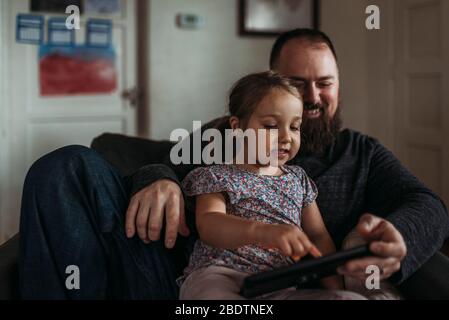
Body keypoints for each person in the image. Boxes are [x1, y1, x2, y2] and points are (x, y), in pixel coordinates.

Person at [18, 29, 449, 299]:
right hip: (186, 275)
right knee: (66, 165)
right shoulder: (223, 138)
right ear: (273, 85)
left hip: (285, 284)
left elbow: (426, 203)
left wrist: (400, 240)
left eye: (325, 82)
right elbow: (153, 163)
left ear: (339, 84)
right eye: (298, 84)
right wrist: (160, 179)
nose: (314, 97)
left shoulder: (363, 154)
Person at [177, 71, 362, 300]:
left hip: (278, 284)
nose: (286, 137)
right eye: (272, 126)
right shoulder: (216, 176)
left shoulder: (298, 180)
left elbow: (317, 237)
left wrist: (336, 289)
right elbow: (209, 223)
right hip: (219, 275)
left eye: (294, 127)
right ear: (237, 127)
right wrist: (263, 232)